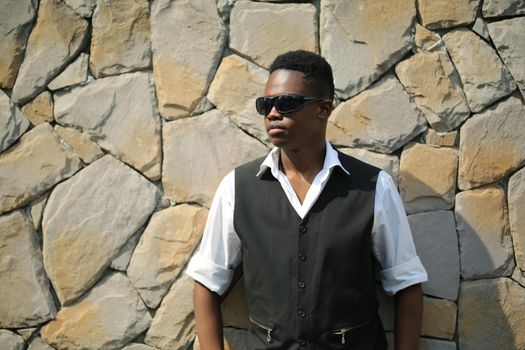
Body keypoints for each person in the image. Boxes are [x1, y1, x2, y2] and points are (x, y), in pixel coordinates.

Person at [186, 50, 427, 350]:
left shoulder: (374, 187)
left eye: (286, 103)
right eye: (266, 104)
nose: (273, 113)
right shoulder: (237, 188)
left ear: (323, 109)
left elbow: (406, 285)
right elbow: (207, 282)